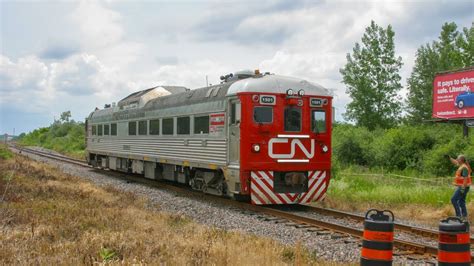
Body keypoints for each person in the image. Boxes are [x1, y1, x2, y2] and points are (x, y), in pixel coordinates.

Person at [448, 154, 472, 220]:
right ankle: (464, 216)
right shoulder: (462, 165)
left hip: (463, 187)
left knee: (453, 199)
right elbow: (455, 162)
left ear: (461, 160)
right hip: (464, 187)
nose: (457, 160)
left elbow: (465, 179)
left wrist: (462, 188)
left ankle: (458, 216)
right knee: (461, 201)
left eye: (458, 159)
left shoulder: (464, 167)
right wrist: (450, 158)